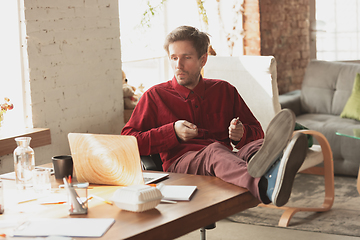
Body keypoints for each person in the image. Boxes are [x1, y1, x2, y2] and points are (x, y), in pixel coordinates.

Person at [121, 25, 308, 207]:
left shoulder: (224, 90)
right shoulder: (155, 96)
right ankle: (265, 185)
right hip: (182, 163)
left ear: (203, 59)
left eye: (186, 57)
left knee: (258, 145)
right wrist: (173, 132)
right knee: (215, 151)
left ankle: (276, 164)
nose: (178, 65)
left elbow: (257, 131)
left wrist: (241, 135)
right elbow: (127, 140)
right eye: (174, 57)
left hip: (227, 157)